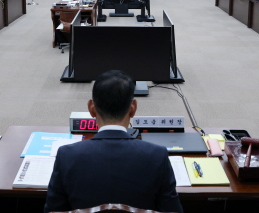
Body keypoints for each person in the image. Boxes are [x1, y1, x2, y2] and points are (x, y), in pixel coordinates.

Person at [44, 70, 183, 213]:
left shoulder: (66, 155)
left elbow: (53, 210)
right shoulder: (157, 155)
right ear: (133, 108)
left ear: (91, 108)